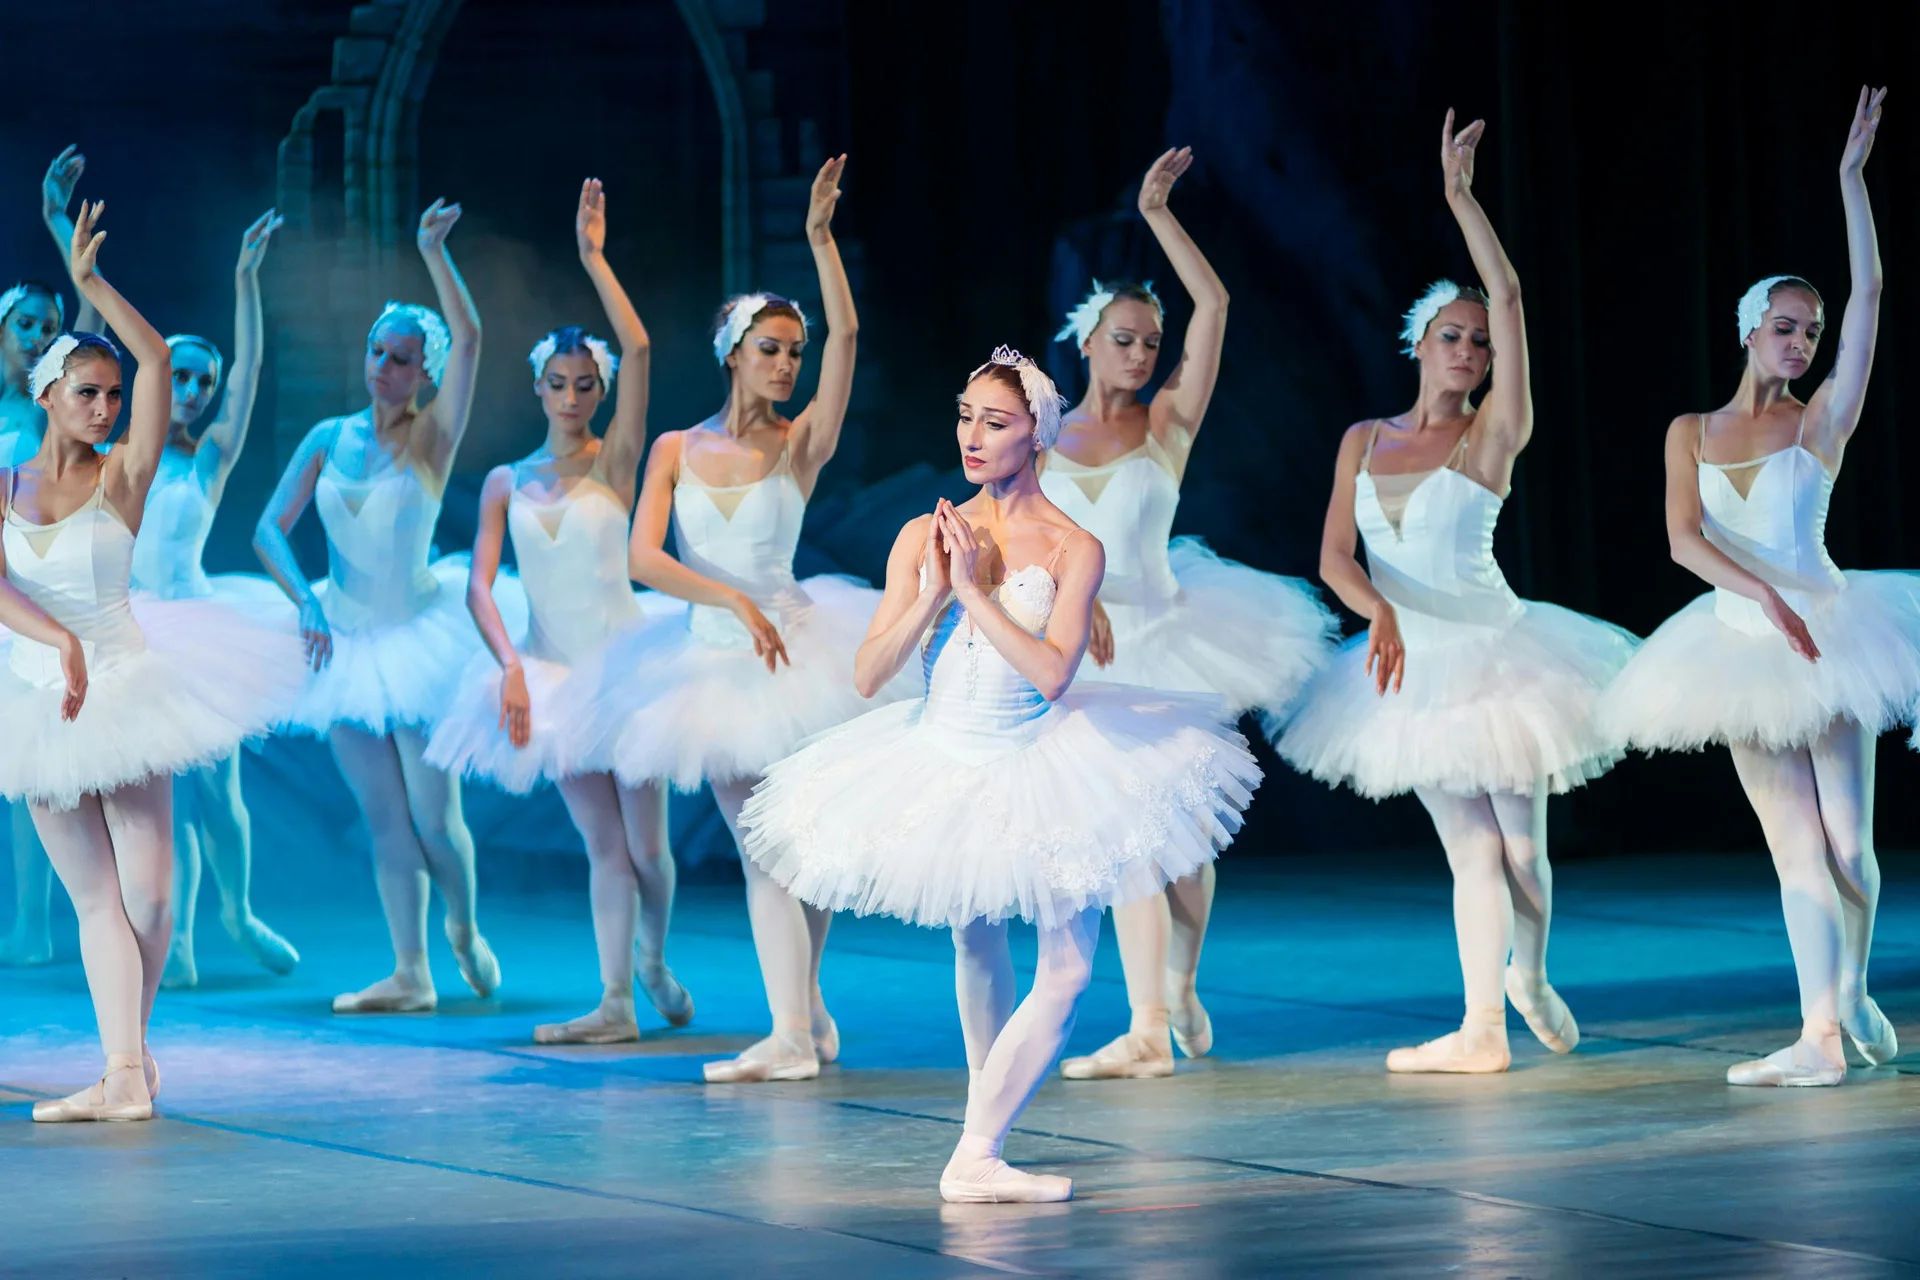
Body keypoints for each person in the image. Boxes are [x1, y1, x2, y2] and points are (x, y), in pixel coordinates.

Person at [740, 347, 1259, 1202]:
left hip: (1040, 755)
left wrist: (975, 591)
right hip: (942, 751)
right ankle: (982, 1145)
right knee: (974, 937)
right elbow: (869, 674)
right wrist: (935, 592)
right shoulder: (924, 533)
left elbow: (1055, 674)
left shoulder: (1072, 547)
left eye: (996, 421)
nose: (972, 436)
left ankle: (982, 1141)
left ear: (1037, 435)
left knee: (1068, 967)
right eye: (966, 415)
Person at [1273, 113, 1637, 1074]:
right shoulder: (1363, 439)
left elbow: (1510, 293)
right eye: (1452, 335)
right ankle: (1480, 1028)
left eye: (1478, 340)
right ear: (1420, 344)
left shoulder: (1493, 435)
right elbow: (1335, 559)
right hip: (1407, 666)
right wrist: (1378, 610)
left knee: (1522, 851)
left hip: (1502, 655)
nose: (1469, 348)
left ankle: (1532, 975)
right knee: (1467, 850)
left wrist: (1459, 198)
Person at [567, 156, 907, 1083]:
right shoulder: (677, 447)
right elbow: (643, 559)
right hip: (712, 665)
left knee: (804, 846)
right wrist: (727, 598)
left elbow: (848, 333)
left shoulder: (800, 447)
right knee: (765, 846)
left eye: (793, 351)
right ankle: (798, 1028)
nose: (788, 362)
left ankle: (800, 1022)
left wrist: (820, 240)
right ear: (732, 353)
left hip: (800, 655)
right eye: (771, 348)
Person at [1599, 89, 1908, 1087]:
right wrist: (1759, 596)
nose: (1801, 342)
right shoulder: (1689, 431)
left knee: (1850, 852)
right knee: (1793, 850)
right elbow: (1684, 540)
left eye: (1809, 332)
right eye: (1784, 326)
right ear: (1749, 331)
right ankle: (1818, 1033)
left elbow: (1871, 299)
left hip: (1828, 635)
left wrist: (1850, 184)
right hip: (1735, 646)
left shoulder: (1819, 423)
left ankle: (1850, 988)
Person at [0, 201, 302, 1121]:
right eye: (86, 393)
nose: (104, 407)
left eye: (112, 396)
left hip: (128, 682)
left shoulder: (124, 476)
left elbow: (162, 360)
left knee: (155, 895)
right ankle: (123, 1072)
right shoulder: (7, 483)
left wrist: (89, 282)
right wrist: (52, 641)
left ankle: (126, 1066)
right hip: (40, 700)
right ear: (45, 393)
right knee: (95, 897)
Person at [1044, 147, 1336, 1080]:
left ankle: (1177, 985)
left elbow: (1213, 309)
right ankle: (1142, 1028)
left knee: (1181, 839)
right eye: (1123, 338)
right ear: (1086, 340)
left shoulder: (1166, 421)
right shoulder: (1043, 434)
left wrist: (1159, 215)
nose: (1139, 353)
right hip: (1082, 652)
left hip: (1170, 637)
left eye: (1148, 340)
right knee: (1123, 833)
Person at [426, 180, 692, 1043]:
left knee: (649, 852)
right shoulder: (507, 480)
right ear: (538, 388)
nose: (571, 396)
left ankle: (652, 957)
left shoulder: (617, 464)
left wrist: (592, 258)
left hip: (630, 671)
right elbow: (479, 583)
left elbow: (642, 348)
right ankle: (615, 1000)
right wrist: (510, 666)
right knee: (602, 846)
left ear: (599, 392)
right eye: (557, 383)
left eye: (584, 383)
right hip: (553, 675)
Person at [255, 198, 510, 1014]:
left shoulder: (432, 438)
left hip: (418, 639)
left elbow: (471, 339)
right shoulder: (329, 437)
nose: (384, 368)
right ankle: (410, 971)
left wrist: (433, 252)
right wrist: (304, 601)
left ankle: (464, 932)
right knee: (385, 821)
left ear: (423, 372)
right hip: (345, 641)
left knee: (436, 822)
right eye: (377, 352)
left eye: (402, 359)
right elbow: (268, 526)